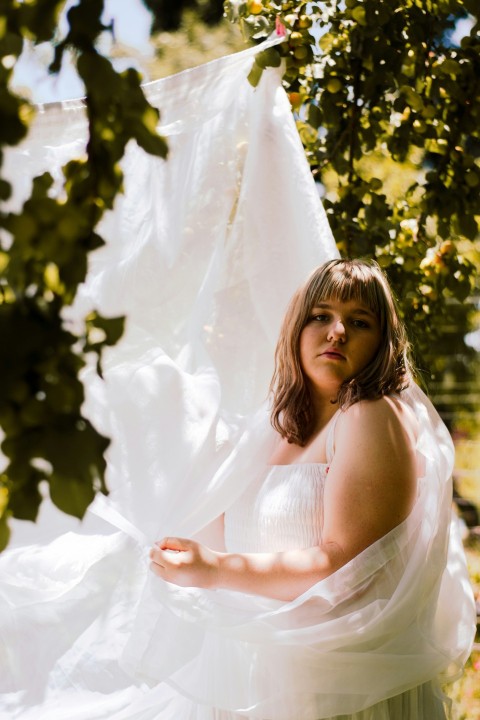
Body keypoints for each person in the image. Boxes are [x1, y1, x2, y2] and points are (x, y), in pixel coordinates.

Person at [147, 258, 475, 719]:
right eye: (321, 316)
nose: (337, 330)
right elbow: (222, 536)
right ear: (296, 330)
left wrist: (214, 569)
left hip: (336, 692)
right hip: (259, 678)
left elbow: (342, 566)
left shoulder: (370, 416)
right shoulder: (270, 429)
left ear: (381, 343)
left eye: (359, 322)